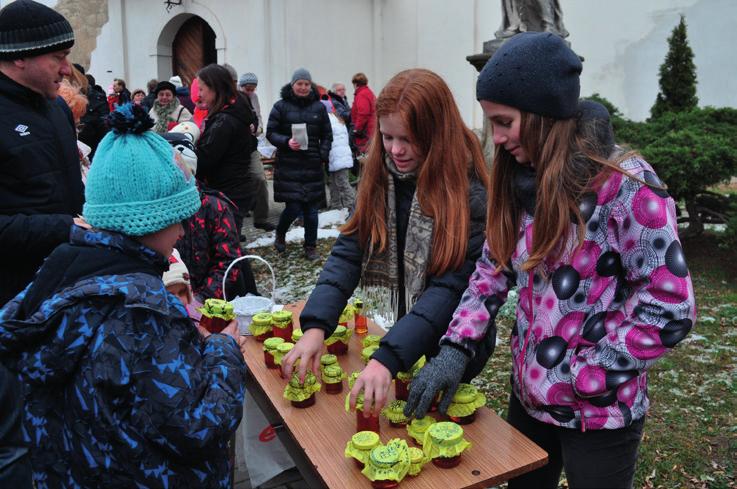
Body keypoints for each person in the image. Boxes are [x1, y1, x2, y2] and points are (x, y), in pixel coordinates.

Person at [404, 32, 696, 489]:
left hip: (599, 415)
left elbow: (670, 305)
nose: (496, 139)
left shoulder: (627, 187)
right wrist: (456, 347)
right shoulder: (521, 180)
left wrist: (585, 375)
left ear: (542, 114)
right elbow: (490, 271)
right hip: (530, 401)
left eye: (504, 122)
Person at [0, 103, 247, 487]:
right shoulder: (141, 311)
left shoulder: (57, 275)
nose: (183, 232)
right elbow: (197, 427)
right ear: (149, 221)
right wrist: (223, 351)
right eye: (177, 219)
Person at [282, 69, 490, 416]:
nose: (396, 150)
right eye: (388, 137)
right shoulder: (381, 173)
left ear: (437, 134)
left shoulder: (469, 191)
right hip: (407, 326)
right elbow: (350, 251)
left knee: (442, 428)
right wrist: (316, 324)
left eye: (408, 139)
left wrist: (388, 357)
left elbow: (452, 286)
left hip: (456, 340)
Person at [0, 0, 85, 307]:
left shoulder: (58, 107)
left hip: (67, 284)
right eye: (58, 57)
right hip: (13, 300)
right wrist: (66, 227)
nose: (66, 69)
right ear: (20, 56)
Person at [163, 121, 259, 301]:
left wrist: (201, 299)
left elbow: (228, 260)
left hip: (212, 306)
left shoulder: (214, 207)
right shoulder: (153, 211)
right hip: (170, 304)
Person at [267, 68, 332, 261]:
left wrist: (322, 154)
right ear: (293, 85)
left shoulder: (319, 108)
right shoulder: (281, 106)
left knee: (312, 211)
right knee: (293, 208)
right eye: (299, 84)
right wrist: (286, 142)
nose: (303, 87)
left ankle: (310, 246)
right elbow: (271, 132)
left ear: (310, 85)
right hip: (289, 165)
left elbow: (327, 135)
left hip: (312, 165)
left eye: (306, 84)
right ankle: (280, 233)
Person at [195, 64, 257, 238]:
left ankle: (240, 266)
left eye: (201, 89)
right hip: (234, 190)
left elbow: (205, 160)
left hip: (228, 192)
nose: (199, 94)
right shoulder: (232, 112)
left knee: (226, 247)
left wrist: (184, 154)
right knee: (228, 244)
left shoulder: (224, 121)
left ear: (214, 87)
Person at [239, 71, 275, 231]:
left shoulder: (254, 98)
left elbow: (259, 116)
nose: (251, 91)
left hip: (251, 145)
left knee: (259, 178)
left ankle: (261, 217)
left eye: (253, 89)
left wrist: (259, 128)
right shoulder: (234, 97)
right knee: (239, 182)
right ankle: (238, 219)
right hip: (236, 147)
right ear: (241, 86)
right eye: (248, 88)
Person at [321, 100, 356, 211]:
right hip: (338, 157)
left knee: (341, 183)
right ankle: (338, 207)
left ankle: (351, 206)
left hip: (337, 157)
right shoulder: (337, 119)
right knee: (335, 183)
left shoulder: (327, 121)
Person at [350, 72, 376, 155]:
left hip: (365, 132)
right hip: (370, 129)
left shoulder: (361, 94)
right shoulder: (368, 92)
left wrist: (357, 129)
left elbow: (363, 113)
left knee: (364, 156)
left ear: (355, 84)